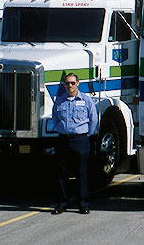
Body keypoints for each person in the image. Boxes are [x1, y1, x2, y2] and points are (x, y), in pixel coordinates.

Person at [52, 72, 99, 214]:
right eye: (67, 83)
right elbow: (55, 118)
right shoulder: (59, 101)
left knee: (82, 173)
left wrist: (86, 135)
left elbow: (93, 119)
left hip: (80, 140)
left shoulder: (86, 100)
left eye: (72, 83)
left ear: (78, 83)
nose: (70, 86)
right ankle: (62, 203)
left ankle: (83, 204)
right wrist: (61, 130)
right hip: (63, 140)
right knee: (62, 173)